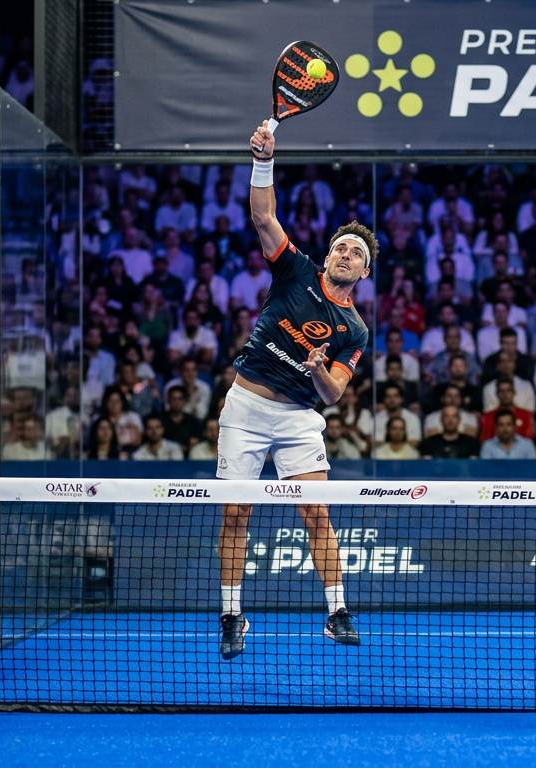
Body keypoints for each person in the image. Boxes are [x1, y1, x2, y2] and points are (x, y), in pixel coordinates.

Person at [213, 121, 371, 660]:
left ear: (364, 273)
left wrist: (319, 368)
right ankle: (232, 615)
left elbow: (333, 396)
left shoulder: (355, 331)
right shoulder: (295, 269)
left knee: (316, 512)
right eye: (341, 247)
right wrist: (263, 160)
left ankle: (336, 613)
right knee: (236, 512)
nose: (345, 254)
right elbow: (263, 216)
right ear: (327, 256)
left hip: (300, 416)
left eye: (356, 253)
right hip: (247, 406)